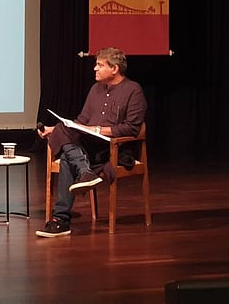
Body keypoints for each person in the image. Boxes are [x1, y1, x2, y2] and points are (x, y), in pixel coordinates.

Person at [35, 46, 146, 238]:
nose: (95, 69)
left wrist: (96, 130)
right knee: (62, 129)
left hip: (111, 147)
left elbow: (132, 128)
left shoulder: (133, 90)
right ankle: (84, 172)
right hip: (87, 145)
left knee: (69, 157)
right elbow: (81, 121)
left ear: (114, 69)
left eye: (100, 65)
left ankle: (61, 220)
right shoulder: (95, 89)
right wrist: (53, 130)